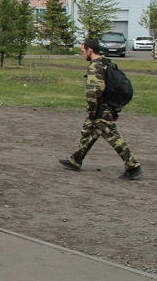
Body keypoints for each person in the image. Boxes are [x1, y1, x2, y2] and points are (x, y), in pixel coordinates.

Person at [59, 39, 142, 180]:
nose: (82, 53)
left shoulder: (95, 66)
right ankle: (75, 160)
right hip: (106, 106)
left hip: (100, 109)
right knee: (88, 131)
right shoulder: (106, 63)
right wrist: (114, 109)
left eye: (83, 50)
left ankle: (133, 166)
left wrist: (92, 111)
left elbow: (94, 91)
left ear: (89, 50)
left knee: (113, 137)